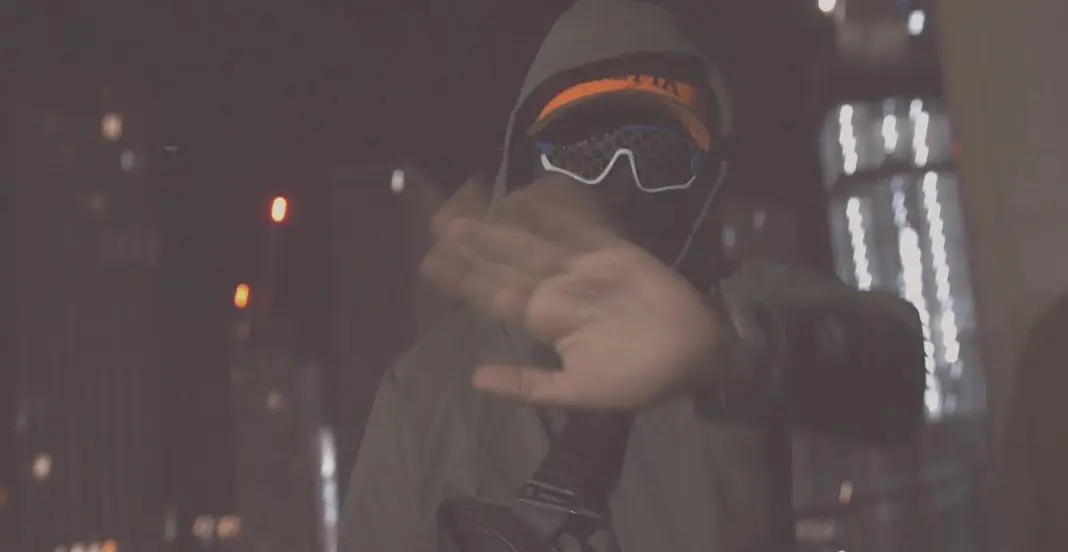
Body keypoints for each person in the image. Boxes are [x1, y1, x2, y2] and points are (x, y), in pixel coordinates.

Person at [339, 1, 926, 551]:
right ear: (524, 159)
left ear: (703, 177)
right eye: (584, 151)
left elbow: (892, 363)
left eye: (657, 155)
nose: (619, 180)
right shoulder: (425, 389)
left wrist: (727, 347)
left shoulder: (735, 308)